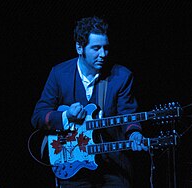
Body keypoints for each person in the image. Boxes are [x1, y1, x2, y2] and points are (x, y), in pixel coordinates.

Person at [31, 16, 148, 187]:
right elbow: (38, 116)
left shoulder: (122, 76)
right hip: (72, 165)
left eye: (105, 48)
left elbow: (128, 114)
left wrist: (134, 134)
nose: (103, 54)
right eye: (96, 48)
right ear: (80, 48)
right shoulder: (59, 74)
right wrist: (66, 116)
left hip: (112, 164)